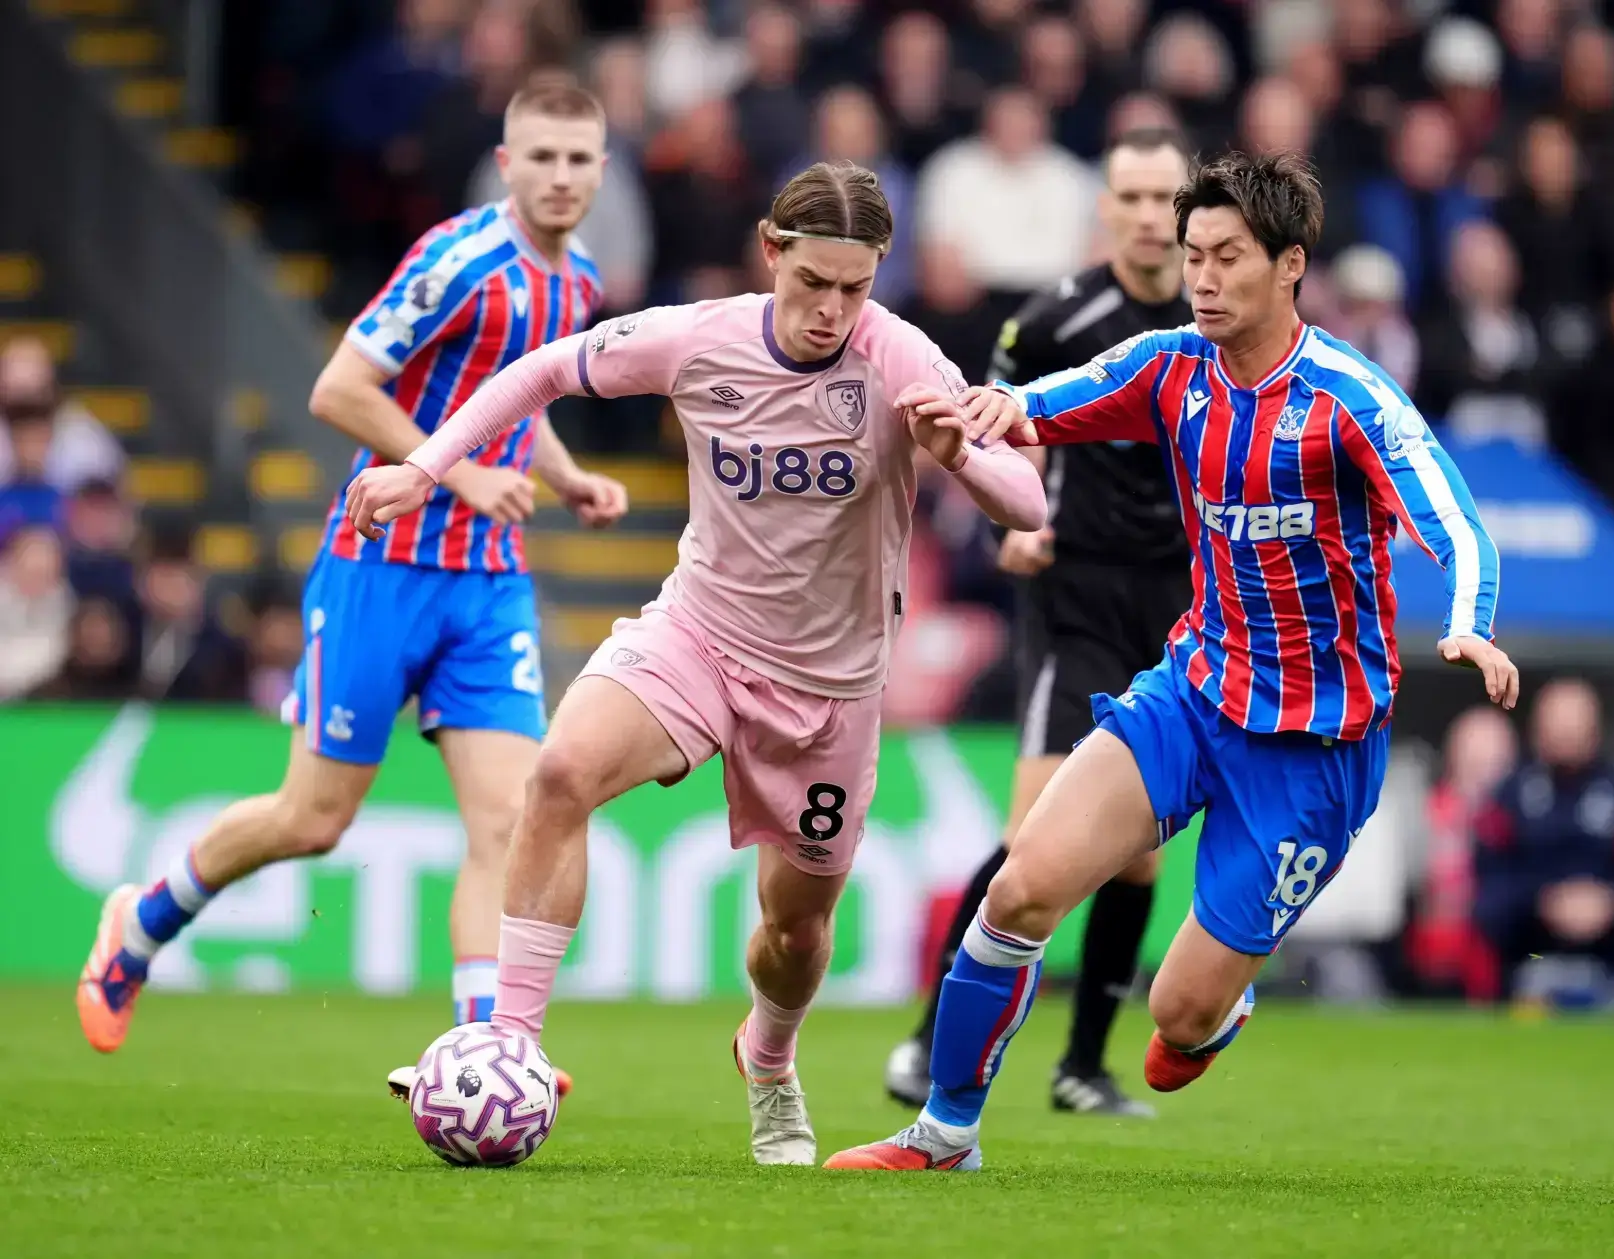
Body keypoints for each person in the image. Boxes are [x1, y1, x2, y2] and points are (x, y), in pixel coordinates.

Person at [344, 160, 1048, 1167]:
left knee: (795, 935)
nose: (833, 309)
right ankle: (513, 1044)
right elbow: (542, 371)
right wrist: (424, 467)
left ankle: (768, 1056)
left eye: (857, 286)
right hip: (701, 635)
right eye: (814, 282)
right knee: (559, 774)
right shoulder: (699, 338)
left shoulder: (901, 359)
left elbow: (1026, 503)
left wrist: (961, 453)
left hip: (829, 691)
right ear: (772, 252)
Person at [826, 150, 1518, 1173]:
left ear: (1290, 265)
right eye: (1192, 255)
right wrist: (980, 411)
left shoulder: (1349, 398)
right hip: (1192, 693)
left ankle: (1212, 1009)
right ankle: (943, 1133)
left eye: (1226, 257)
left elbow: (1453, 519)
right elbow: (1044, 401)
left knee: (1175, 1017)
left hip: (1315, 750)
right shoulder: (1170, 365)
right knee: (1020, 888)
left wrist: (1471, 620)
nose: (1201, 276)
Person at [74, 84, 628, 1099]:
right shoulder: (458, 260)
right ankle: (141, 919)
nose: (560, 177)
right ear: (504, 164)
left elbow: (518, 392)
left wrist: (563, 473)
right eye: (541, 157)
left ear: (602, 169)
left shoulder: (578, 280)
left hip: (486, 585)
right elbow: (339, 388)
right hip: (382, 563)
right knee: (312, 815)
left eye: (579, 160)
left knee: (508, 826)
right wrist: (457, 473)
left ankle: (482, 1051)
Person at [884, 127, 1195, 1119]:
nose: (1150, 215)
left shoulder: (1214, 320)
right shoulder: (1056, 318)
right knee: (1034, 837)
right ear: (1103, 208)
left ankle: (1083, 1065)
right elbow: (987, 434)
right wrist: (1009, 529)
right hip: (1078, 593)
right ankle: (930, 1036)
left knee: (1139, 848)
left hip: (1182, 602)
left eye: (1166, 198)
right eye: (1134, 196)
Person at [1469, 679, 1614, 1005]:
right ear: (1538, 731)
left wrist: (1609, 902)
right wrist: (1545, 900)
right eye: (1558, 730)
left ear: (1593, 733)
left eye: (1575, 731)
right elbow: (1490, 878)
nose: (1566, 739)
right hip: (1534, 935)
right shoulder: (1512, 794)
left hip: (1606, 931)